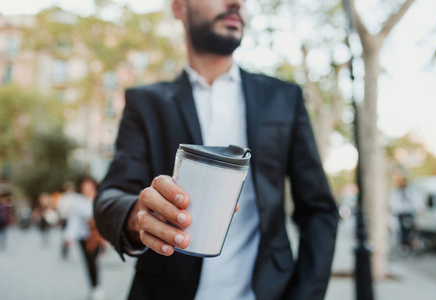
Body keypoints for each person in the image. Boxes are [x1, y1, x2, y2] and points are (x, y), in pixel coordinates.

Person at [94, 0, 339, 299]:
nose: (236, 2)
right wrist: (138, 216)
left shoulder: (284, 97)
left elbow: (319, 210)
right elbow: (109, 199)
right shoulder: (145, 104)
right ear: (178, 7)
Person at [65, 176, 106, 300]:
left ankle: (97, 286)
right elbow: (74, 221)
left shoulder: (100, 199)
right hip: (83, 236)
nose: (86, 189)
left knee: (93, 261)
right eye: (84, 187)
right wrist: (69, 237)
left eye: (88, 186)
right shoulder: (78, 202)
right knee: (89, 262)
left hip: (98, 236)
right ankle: (95, 287)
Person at [389, 175, 423, 249]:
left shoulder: (411, 191)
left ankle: (414, 243)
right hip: (401, 214)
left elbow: (416, 201)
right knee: (402, 230)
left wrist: (419, 210)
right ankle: (404, 244)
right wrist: (396, 211)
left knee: (413, 228)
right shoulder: (396, 192)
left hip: (410, 213)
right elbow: (394, 203)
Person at [57, 181, 78, 259]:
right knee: (64, 235)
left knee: (70, 235)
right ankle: (64, 250)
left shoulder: (75, 197)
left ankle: (67, 249)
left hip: (73, 218)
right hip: (65, 218)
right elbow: (60, 207)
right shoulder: (63, 197)